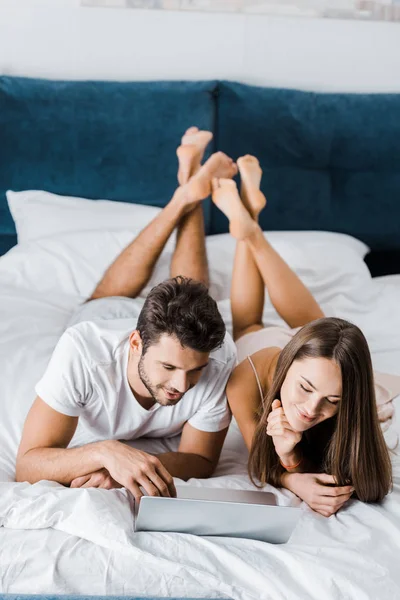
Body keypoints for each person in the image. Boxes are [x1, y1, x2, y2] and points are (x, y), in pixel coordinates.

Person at [16, 128, 238, 505]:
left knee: (192, 289)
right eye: (168, 367)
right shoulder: (83, 350)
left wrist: (131, 467)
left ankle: (190, 184)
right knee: (110, 294)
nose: (182, 385)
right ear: (136, 343)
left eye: (194, 371)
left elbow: (201, 460)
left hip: (164, 327)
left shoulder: (217, 356)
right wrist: (105, 453)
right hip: (105, 315)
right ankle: (182, 199)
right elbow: (28, 465)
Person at [211, 158, 399, 518]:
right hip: (267, 349)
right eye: (305, 389)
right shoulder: (243, 379)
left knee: (323, 330)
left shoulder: (344, 386)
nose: (313, 410)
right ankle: (250, 230)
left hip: (313, 354)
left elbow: (374, 483)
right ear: (288, 362)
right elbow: (258, 459)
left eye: (332, 401)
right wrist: (291, 472)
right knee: (248, 326)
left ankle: (249, 223)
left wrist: (293, 454)